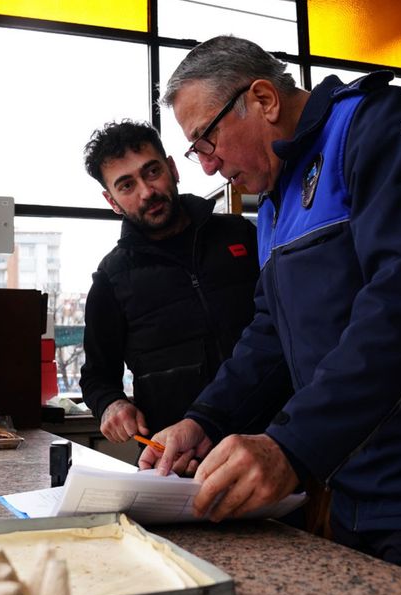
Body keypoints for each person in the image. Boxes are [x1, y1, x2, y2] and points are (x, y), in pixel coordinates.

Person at [141, 36, 401, 595]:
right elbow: (271, 334)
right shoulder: (273, 201)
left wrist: (290, 446)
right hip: (361, 487)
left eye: (205, 139)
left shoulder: (383, 129)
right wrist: (204, 421)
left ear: (263, 99)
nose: (208, 163)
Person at [79, 119, 288, 445]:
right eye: (126, 186)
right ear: (112, 202)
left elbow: (287, 324)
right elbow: (96, 377)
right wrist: (110, 404)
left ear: (173, 169)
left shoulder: (242, 236)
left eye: (151, 172)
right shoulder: (111, 278)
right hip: (178, 460)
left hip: (276, 442)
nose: (147, 192)